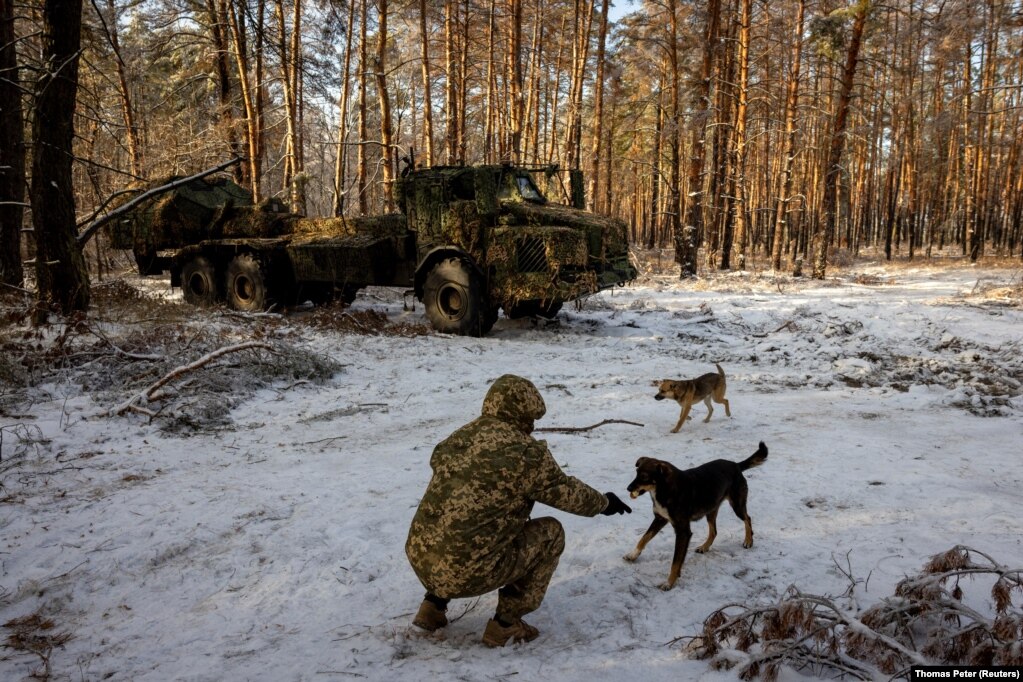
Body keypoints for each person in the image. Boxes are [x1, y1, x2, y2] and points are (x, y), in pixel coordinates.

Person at [405, 374, 632, 647]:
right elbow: (567, 494)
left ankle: (432, 607)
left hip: (420, 558)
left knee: (455, 522)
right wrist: (604, 503)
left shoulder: (460, 436)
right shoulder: (524, 453)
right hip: (465, 572)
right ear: (524, 412)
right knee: (551, 533)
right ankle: (505, 625)